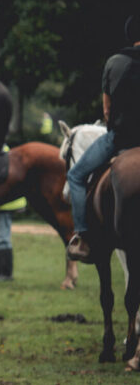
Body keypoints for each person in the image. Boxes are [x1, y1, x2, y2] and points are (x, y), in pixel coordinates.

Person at [66, 14, 140, 262]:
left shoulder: (114, 62)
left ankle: (82, 237)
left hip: (120, 138)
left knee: (75, 176)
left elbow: (107, 109)